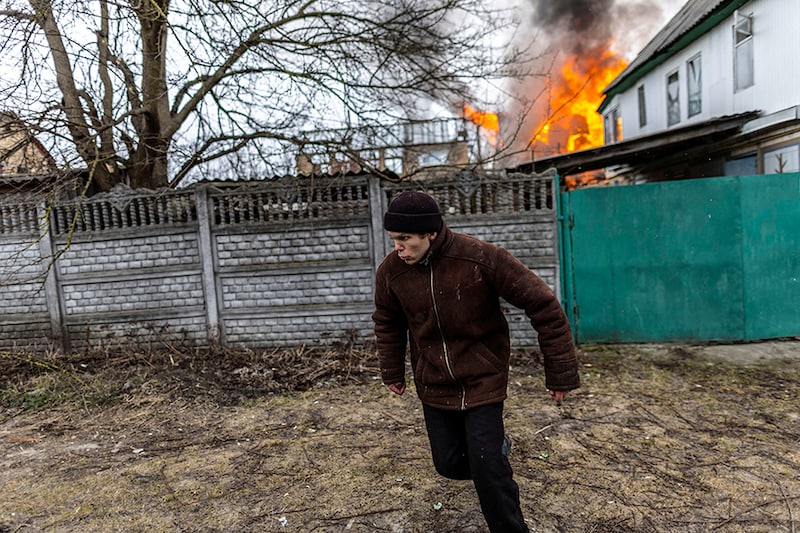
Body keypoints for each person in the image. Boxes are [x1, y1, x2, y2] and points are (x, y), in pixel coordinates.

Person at [372, 191, 580, 533]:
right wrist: (392, 371)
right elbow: (386, 321)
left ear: (431, 233)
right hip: (434, 381)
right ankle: (496, 450)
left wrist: (560, 374)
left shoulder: (481, 259)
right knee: (450, 464)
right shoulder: (392, 273)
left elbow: (545, 307)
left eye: (405, 239)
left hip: (483, 377)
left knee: (488, 471)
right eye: (394, 240)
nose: (398, 248)